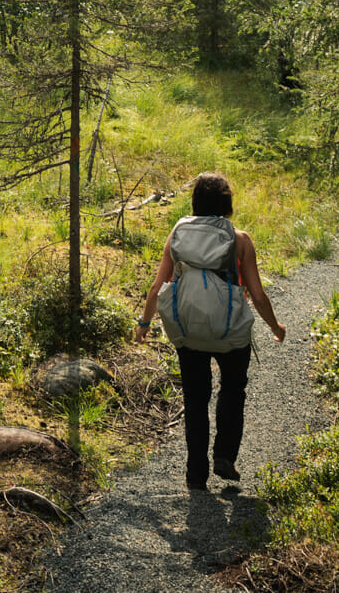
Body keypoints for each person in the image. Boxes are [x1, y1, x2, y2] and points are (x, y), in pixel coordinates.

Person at [135, 171, 286, 490]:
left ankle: (195, 475)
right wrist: (276, 326)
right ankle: (225, 457)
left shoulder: (178, 232)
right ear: (227, 202)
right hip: (230, 331)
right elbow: (257, 295)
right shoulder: (240, 239)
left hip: (188, 329)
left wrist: (145, 323)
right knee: (233, 389)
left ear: (196, 202)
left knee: (195, 397)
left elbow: (157, 286)